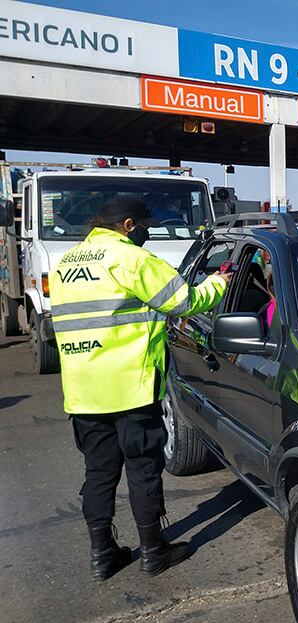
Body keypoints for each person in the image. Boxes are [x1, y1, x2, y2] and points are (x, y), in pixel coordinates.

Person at [49, 196, 232, 581]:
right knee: (143, 471)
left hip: (84, 390)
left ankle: (103, 554)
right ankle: (154, 551)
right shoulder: (130, 259)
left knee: (98, 473)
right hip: (131, 386)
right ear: (128, 225)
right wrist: (217, 284)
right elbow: (184, 301)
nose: (148, 231)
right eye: (144, 225)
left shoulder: (65, 264)